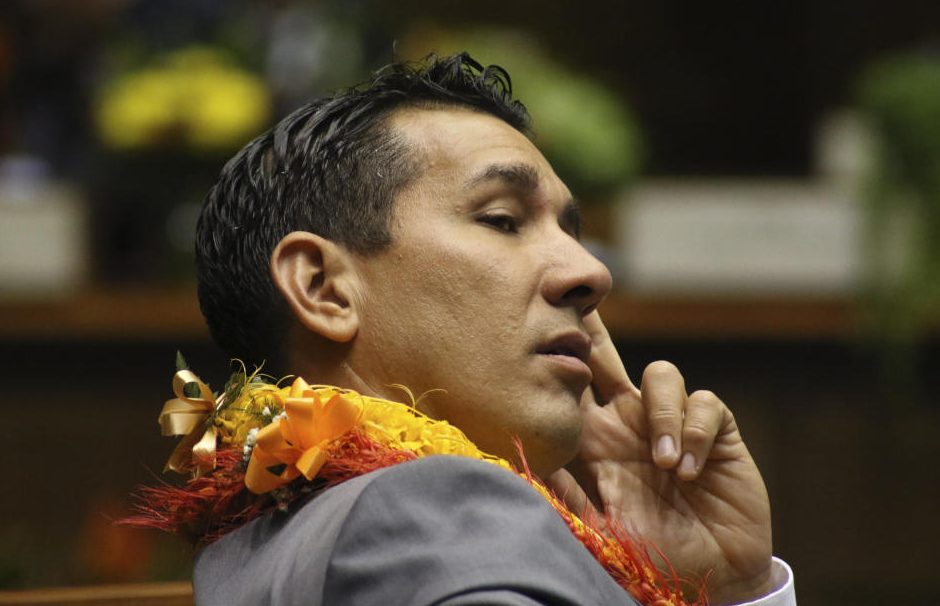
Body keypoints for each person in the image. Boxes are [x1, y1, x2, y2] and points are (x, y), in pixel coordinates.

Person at [185, 53, 795, 605]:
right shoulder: (436, 505)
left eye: (571, 233)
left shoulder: (254, 540)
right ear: (324, 288)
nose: (590, 273)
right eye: (503, 220)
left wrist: (720, 590)